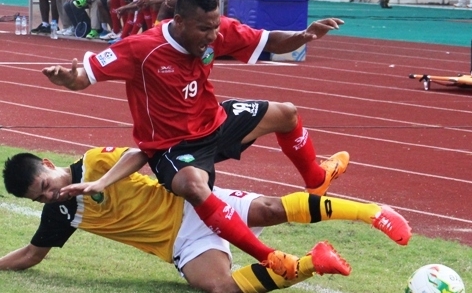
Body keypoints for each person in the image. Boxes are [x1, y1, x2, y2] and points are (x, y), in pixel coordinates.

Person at [42, 0, 351, 279]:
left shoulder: (216, 31)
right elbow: (84, 76)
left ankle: (316, 179)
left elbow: (270, 40)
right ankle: (270, 257)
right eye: (204, 29)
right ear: (179, 21)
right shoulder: (141, 49)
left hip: (214, 122)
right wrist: (68, 79)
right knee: (193, 186)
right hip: (172, 146)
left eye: (215, 26)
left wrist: (305, 35)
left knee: (286, 113)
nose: (212, 35)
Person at [1, 147, 411, 292]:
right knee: (218, 287)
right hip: (182, 245)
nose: (51, 194)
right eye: (42, 197)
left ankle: (374, 212)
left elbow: (142, 152)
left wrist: (101, 181)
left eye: (48, 183)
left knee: (270, 208)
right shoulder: (61, 213)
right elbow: (33, 254)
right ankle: (311, 263)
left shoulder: (94, 161)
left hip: (192, 204)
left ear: (50, 164)